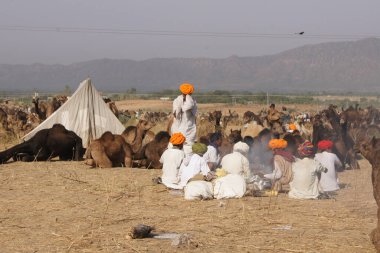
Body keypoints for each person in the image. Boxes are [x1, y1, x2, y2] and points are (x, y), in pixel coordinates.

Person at [171, 83, 198, 164]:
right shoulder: (177, 101)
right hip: (179, 127)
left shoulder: (192, 101)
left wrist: (188, 105)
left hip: (188, 128)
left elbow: (194, 114)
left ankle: (184, 163)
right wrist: (180, 106)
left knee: (187, 147)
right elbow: (175, 114)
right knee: (178, 145)